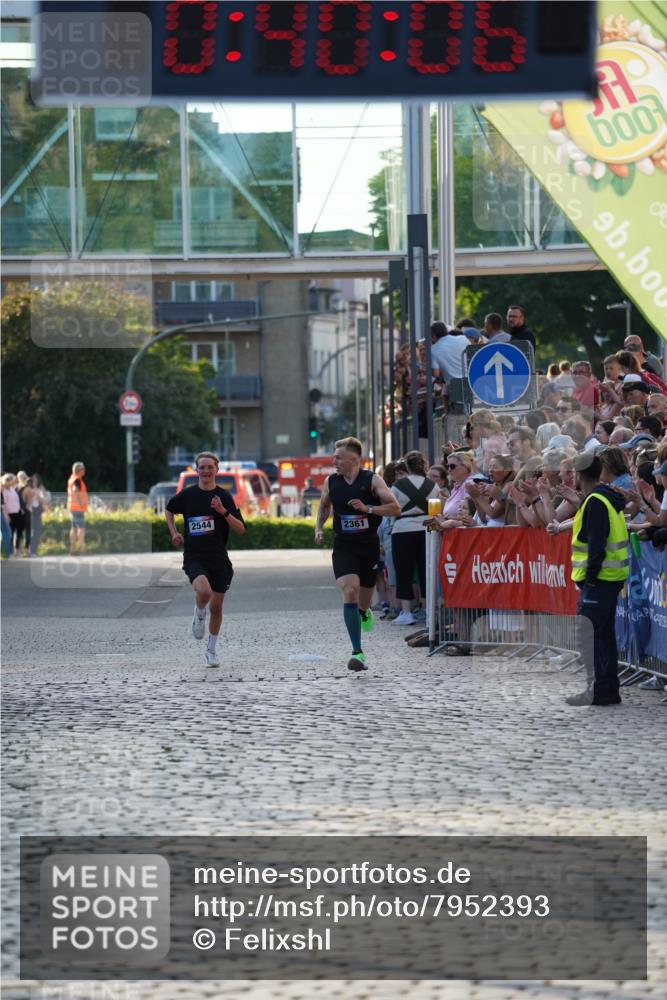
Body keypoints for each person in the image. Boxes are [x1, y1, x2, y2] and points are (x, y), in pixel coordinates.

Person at [315, 437, 400, 672]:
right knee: (349, 590)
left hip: (368, 546)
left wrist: (368, 509)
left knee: (362, 601)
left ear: (353, 460)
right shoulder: (331, 481)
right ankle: (357, 652)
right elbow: (324, 506)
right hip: (344, 545)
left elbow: (395, 508)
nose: (334, 461)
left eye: (338, 458)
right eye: (334, 457)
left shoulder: (372, 480)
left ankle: (364, 611)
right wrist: (319, 528)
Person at [550, 454, 629, 706]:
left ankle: (598, 689)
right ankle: (606, 689)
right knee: (603, 636)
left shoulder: (595, 501)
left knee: (590, 637)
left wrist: (591, 578)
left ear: (579, 474)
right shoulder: (602, 497)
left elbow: (597, 543)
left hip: (600, 578)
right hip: (609, 576)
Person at [165, 451, 246, 668]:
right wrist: (173, 532)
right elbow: (169, 509)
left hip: (218, 558)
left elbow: (241, 529)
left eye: (210, 467)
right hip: (194, 556)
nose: (206, 471)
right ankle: (199, 613)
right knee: (204, 592)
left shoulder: (224, 497)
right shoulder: (187, 495)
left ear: (217, 470)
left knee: (217, 608)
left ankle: (211, 650)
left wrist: (222, 511)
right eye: (202, 467)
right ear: (197, 470)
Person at [390, 450, 441, 626]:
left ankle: (406, 612)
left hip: (402, 529)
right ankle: (428, 610)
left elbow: (392, 508)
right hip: (427, 528)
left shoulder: (398, 485)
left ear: (407, 466)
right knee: (425, 569)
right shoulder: (433, 486)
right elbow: (436, 509)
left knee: (403, 571)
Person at [67, 461, 88, 555]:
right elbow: (75, 491)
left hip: (72, 507)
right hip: (78, 508)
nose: (84, 471)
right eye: (83, 469)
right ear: (79, 470)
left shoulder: (72, 478)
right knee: (81, 528)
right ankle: (82, 549)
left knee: (74, 529)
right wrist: (80, 501)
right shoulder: (77, 480)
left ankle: (72, 549)